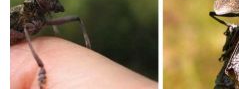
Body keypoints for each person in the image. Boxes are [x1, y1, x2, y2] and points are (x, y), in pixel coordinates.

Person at [11, 37, 157, 89]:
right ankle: (41, 67)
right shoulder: (24, 17)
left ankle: (87, 47)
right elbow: (26, 32)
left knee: (76, 18)